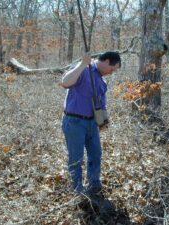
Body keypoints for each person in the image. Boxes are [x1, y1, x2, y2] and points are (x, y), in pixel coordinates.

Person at [61, 51, 121, 194]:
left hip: (92, 124)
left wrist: (103, 119)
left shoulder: (102, 81)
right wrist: (82, 64)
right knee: (76, 158)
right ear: (106, 61)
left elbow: (101, 104)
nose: (111, 73)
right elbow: (65, 82)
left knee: (96, 154)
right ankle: (77, 190)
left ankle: (94, 185)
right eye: (112, 69)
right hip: (74, 122)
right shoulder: (84, 69)